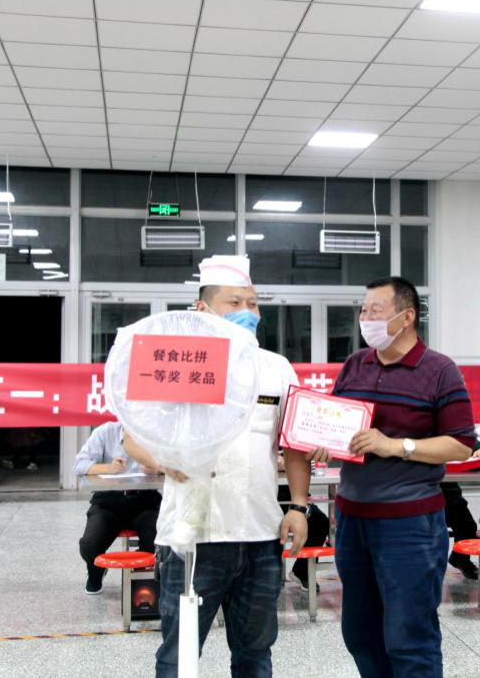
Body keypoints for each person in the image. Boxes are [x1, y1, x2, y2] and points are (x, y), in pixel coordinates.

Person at [122, 255, 312, 678]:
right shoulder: (176, 364)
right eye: (234, 303)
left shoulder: (275, 367)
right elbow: (132, 437)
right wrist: (162, 460)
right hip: (192, 539)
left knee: (255, 656)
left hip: (261, 536)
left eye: (253, 303)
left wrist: (299, 506)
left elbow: (295, 445)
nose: (248, 312)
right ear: (202, 310)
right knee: (179, 658)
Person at [323, 276, 475, 677]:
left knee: (408, 636)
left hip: (409, 524)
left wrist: (397, 445)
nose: (366, 318)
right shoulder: (356, 364)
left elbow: (461, 445)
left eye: (376, 310)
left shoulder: (439, 370)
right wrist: (322, 440)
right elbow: (337, 425)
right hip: (352, 520)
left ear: (407, 317)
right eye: (363, 310)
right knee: (360, 633)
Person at [74, 420, 162, 594]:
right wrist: (107, 467)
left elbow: (175, 466)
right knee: (89, 545)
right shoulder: (105, 432)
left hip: (145, 500)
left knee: (157, 539)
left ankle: (141, 580)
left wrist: (156, 468)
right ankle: (96, 572)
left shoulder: (153, 433)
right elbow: (79, 465)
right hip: (108, 500)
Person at [441, 441, 480, 580]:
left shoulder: (452, 435)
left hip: (450, 496)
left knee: (468, 526)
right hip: (419, 494)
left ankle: (460, 559)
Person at [277, 454, 331, 591]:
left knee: (319, 521)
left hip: (297, 498)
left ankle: (302, 572)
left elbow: (306, 462)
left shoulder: (293, 443)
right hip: (269, 498)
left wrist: (291, 461)